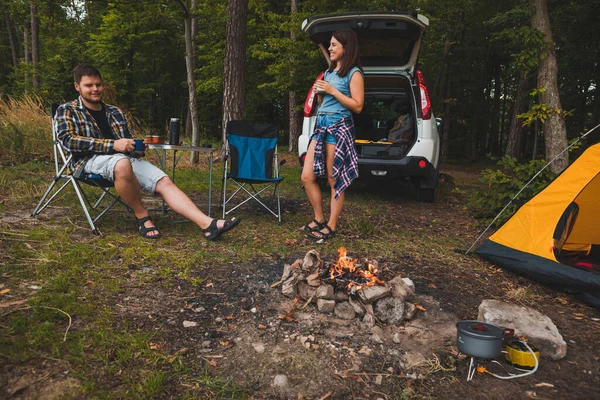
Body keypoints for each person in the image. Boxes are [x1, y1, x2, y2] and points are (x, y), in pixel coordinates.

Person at [55, 63, 240, 240]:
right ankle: (142, 217)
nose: (95, 89)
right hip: (88, 161)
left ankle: (208, 225)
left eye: (98, 84)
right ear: (77, 86)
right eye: (89, 85)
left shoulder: (115, 112)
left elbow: (125, 143)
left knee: (163, 181)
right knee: (122, 164)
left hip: (122, 160)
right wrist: (113, 145)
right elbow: (68, 141)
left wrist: (136, 148)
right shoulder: (67, 110)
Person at [300, 29, 364, 241]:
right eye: (330, 45)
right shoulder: (328, 73)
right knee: (307, 176)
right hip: (321, 126)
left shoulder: (354, 73)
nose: (330, 48)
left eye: (334, 44)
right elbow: (323, 103)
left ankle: (331, 225)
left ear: (347, 47)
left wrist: (333, 91)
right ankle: (318, 218)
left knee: (333, 179)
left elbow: (358, 106)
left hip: (338, 127)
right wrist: (320, 94)